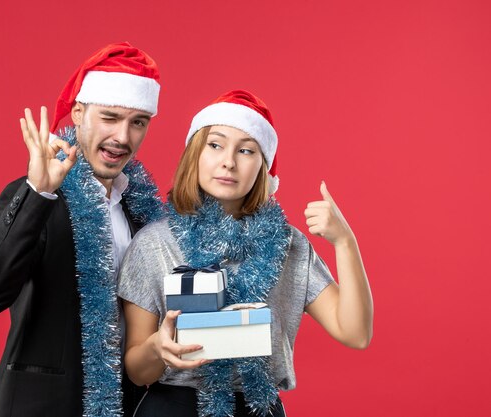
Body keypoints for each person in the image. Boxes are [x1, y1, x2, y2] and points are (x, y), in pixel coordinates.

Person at [118, 90, 374, 417]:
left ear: (263, 168)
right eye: (215, 144)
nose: (228, 161)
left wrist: (345, 243)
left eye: (246, 150)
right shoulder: (154, 242)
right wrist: (158, 347)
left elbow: (355, 332)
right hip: (174, 404)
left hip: (259, 407)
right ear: (194, 153)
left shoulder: (289, 245)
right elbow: (138, 372)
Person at [0, 42, 165, 417]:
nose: (123, 137)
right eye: (110, 117)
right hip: (40, 406)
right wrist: (37, 193)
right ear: (78, 113)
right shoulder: (37, 195)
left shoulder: (146, 219)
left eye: (138, 122)